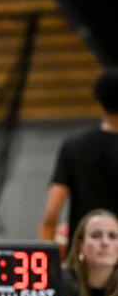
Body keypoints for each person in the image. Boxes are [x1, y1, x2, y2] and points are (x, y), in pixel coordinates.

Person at [39, 68, 118, 245]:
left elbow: (50, 217)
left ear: (99, 102)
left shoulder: (74, 147)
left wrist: (49, 258)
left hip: (84, 251)